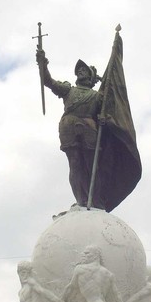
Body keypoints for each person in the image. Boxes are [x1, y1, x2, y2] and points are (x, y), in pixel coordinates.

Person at [37, 51, 104, 209]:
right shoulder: (68, 89)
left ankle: (94, 200)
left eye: (84, 70)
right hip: (69, 125)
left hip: (89, 126)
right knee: (74, 163)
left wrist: (104, 119)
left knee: (91, 164)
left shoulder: (98, 96)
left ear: (91, 76)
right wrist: (43, 64)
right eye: (79, 70)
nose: (80, 71)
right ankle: (80, 200)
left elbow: (107, 114)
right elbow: (49, 82)